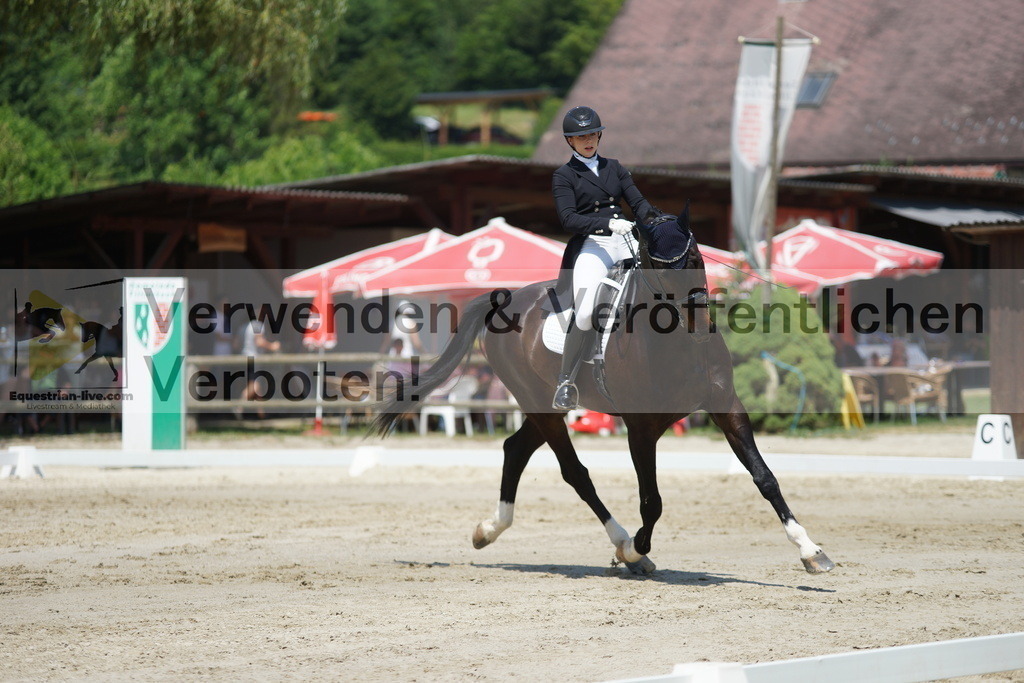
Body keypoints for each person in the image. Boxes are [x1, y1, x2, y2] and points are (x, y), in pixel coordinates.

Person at [550, 105, 656, 410]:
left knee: (660, 287)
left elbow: (638, 202)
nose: (588, 140)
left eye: (592, 134)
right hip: (595, 243)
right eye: (581, 137)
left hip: (626, 238)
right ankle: (566, 382)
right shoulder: (564, 175)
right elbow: (568, 219)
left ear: (599, 136)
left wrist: (656, 220)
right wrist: (606, 223)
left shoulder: (615, 167)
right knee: (585, 312)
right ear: (570, 140)